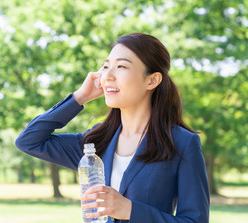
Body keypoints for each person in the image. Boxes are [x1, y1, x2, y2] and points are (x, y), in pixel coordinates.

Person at [15, 33, 210, 223]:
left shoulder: (182, 143)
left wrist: (130, 210)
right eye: (106, 66)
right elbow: (29, 141)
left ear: (152, 80)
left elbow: (195, 220)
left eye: (121, 66)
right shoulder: (96, 141)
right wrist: (80, 97)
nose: (107, 75)